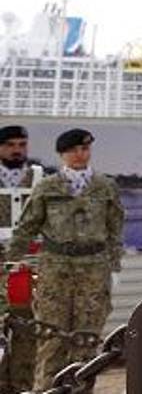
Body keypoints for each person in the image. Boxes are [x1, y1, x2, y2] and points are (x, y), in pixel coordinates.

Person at [5, 129, 125, 390]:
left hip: (94, 267)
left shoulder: (105, 187)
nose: (80, 155)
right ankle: (46, 390)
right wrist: (11, 263)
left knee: (87, 339)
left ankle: (81, 390)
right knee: (51, 336)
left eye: (85, 149)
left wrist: (114, 267)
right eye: (73, 150)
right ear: (62, 155)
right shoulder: (47, 187)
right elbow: (26, 227)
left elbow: (115, 230)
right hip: (55, 268)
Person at [0, 125, 46, 394]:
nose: (17, 150)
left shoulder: (39, 178)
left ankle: (22, 387)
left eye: (21, 144)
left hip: (27, 264)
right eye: (10, 145)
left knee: (27, 327)